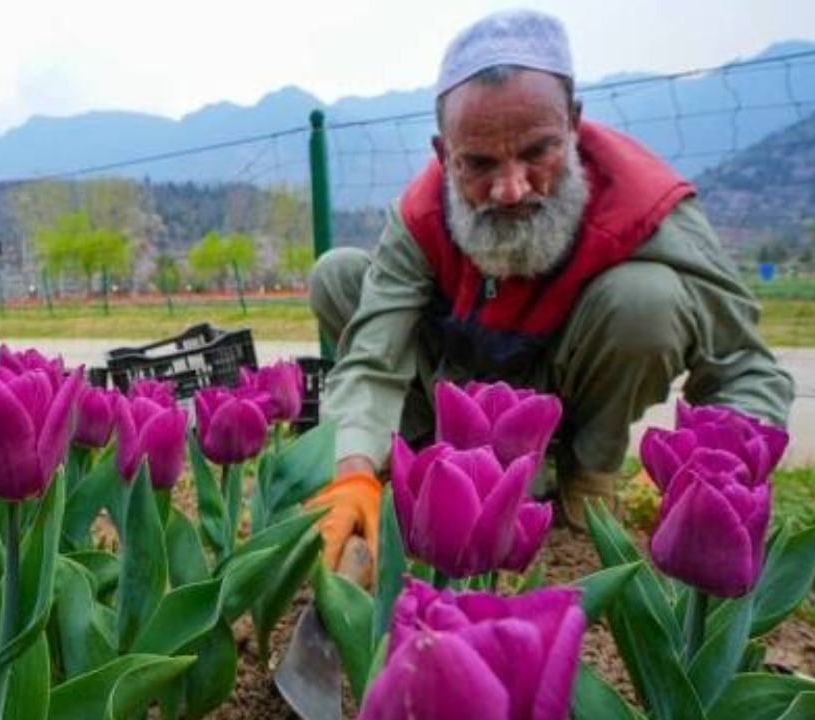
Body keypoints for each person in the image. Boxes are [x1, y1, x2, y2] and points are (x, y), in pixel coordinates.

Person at [306, 9, 794, 561]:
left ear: (573, 125)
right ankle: (431, 476)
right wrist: (351, 470)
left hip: (563, 390)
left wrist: (721, 476)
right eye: (479, 163)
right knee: (341, 275)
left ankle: (585, 486)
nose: (511, 189)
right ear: (444, 156)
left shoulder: (643, 202)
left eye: (538, 151)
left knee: (646, 301)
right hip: (453, 375)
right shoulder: (419, 215)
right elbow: (372, 358)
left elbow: (744, 366)